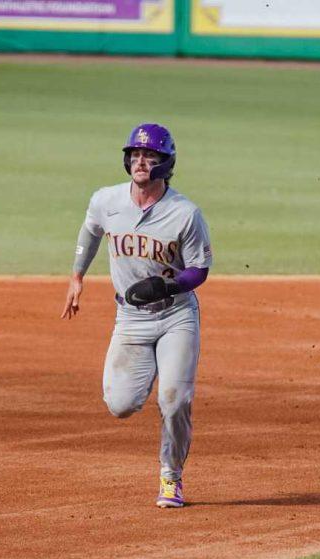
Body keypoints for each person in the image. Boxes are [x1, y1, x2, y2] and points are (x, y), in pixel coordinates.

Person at [61, 122, 213, 508]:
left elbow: (199, 269)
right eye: (136, 154)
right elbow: (90, 231)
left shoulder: (185, 214)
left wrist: (169, 285)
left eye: (150, 156)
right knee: (121, 404)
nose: (141, 161)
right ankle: (151, 377)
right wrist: (77, 276)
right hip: (130, 319)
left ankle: (171, 477)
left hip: (176, 315)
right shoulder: (107, 201)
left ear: (165, 163)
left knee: (175, 398)